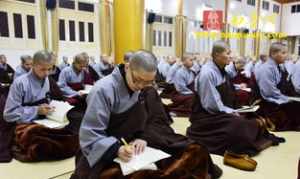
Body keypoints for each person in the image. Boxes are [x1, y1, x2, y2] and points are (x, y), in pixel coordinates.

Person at [71, 50, 220, 179]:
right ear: (128, 67)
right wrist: (116, 149)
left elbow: (143, 119)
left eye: (147, 83)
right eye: (138, 81)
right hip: (105, 150)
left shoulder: (141, 87)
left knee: (194, 149)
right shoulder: (103, 90)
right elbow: (90, 135)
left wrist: (142, 138)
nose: (141, 87)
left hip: (136, 146)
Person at [187, 41, 282, 171]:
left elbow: (230, 75)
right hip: (207, 116)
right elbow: (211, 104)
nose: (231, 56)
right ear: (216, 54)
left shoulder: (219, 68)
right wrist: (230, 111)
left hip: (220, 111)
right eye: (228, 53)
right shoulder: (207, 73)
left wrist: (235, 110)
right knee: (240, 124)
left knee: (250, 116)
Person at [2, 50, 78, 162]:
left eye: (50, 69)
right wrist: (36, 110)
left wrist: (50, 107)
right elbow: (9, 114)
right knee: (43, 143)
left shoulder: (46, 79)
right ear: (33, 65)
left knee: (73, 128)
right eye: (43, 69)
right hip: (23, 124)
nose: (47, 73)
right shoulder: (20, 83)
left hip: (44, 120)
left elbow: (45, 99)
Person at [255, 42, 300, 131]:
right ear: (273, 54)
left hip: (277, 97)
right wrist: (287, 99)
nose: (286, 56)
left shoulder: (277, 67)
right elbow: (269, 92)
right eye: (283, 53)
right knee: (295, 105)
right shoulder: (266, 69)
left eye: (286, 53)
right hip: (268, 101)